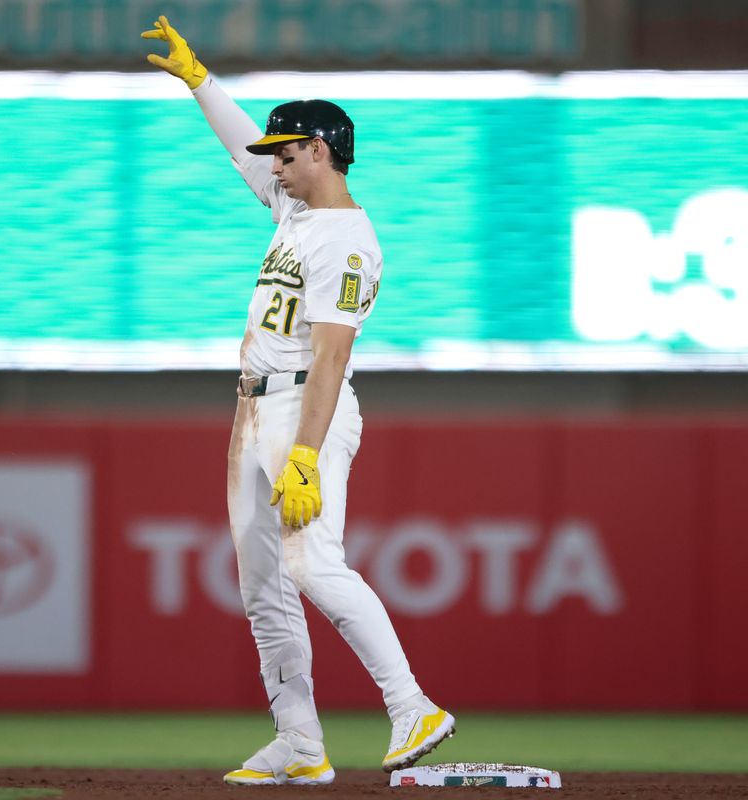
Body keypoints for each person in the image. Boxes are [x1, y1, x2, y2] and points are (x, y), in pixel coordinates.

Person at [142, 16, 456, 787]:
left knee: (313, 563)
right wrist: (200, 82)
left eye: (285, 152)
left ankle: (412, 705)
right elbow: (240, 151)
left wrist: (307, 454)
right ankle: (299, 741)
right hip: (252, 409)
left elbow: (333, 355)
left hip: (302, 410)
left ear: (319, 150)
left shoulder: (346, 238)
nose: (273, 165)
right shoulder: (297, 210)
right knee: (263, 588)